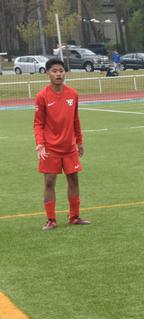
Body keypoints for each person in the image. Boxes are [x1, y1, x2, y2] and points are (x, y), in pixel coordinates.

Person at [33, 57, 90, 231]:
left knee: (74, 180)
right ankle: (51, 219)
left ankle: (74, 216)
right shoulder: (42, 96)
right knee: (49, 181)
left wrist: (79, 141)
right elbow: (38, 123)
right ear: (48, 74)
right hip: (50, 147)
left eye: (61, 71)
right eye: (54, 71)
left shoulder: (73, 94)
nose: (58, 74)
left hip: (69, 147)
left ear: (65, 72)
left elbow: (75, 119)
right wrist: (40, 144)